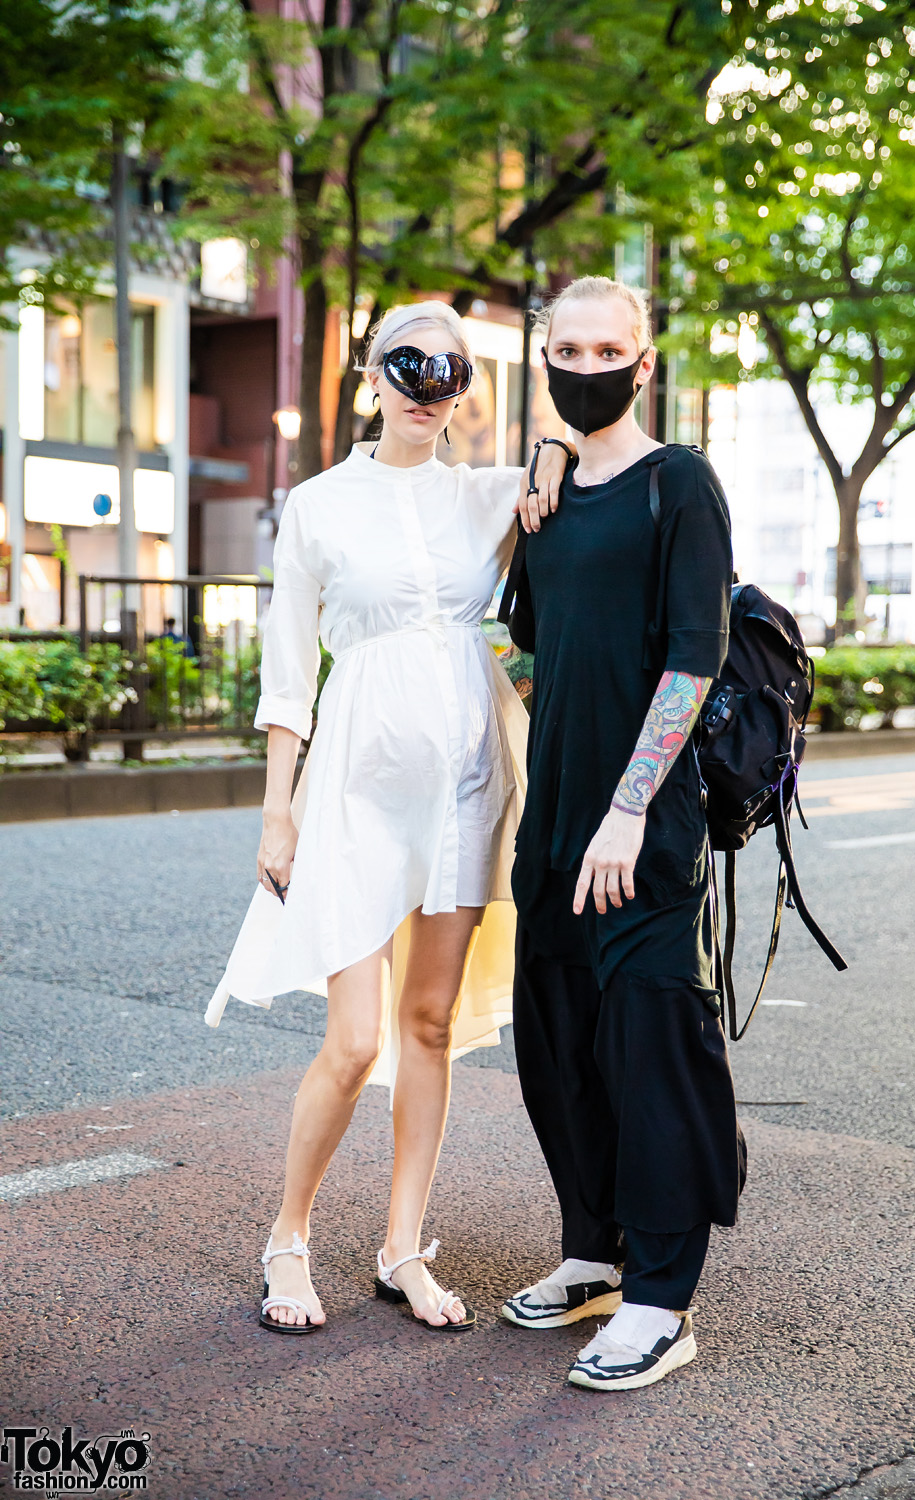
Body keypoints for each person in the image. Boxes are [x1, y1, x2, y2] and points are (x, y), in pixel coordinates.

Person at [205, 301, 568, 1334]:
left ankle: (403, 1245)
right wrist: (277, 814)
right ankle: (288, 1236)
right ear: (374, 376)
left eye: (449, 370)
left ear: (464, 391)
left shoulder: (493, 495)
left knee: (429, 1026)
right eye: (409, 365)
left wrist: (544, 452)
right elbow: (287, 676)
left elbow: (588, 458)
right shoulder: (317, 505)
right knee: (355, 1038)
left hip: (467, 781)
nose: (427, 386)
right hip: (356, 785)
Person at [500, 276, 746, 1391]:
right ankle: (592, 1258)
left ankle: (660, 1301)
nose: (585, 365)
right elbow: (526, 649)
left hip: (639, 829)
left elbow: (694, 657)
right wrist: (533, 781)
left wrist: (628, 806)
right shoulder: (543, 497)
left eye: (607, 350)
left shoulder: (679, 484)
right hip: (550, 824)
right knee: (560, 1049)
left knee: (651, 1055)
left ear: (643, 364)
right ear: (542, 357)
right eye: (567, 347)